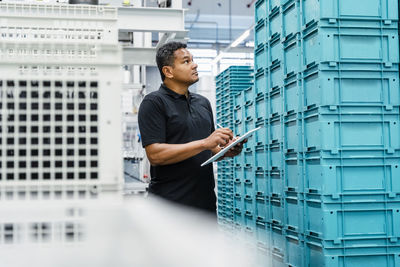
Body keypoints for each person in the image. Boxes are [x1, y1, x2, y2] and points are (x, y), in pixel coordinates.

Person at [138, 42, 245, 214]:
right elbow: (155, 155)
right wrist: (205, 143)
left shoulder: (202, 103)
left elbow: (208, 150)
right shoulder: (154, 103)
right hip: (169, 207)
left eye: (193, 60)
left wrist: (227, 150)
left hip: (205, 205)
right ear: (168, 71)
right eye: (186, 61)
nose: (194, 64)